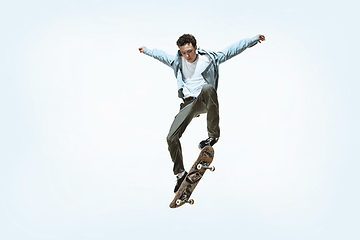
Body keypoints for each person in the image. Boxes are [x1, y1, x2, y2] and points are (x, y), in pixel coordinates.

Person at [138, 33, 266, 193]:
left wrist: (253, 39)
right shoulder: (177, 61)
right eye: (184, 52)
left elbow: (232, 50)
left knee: (207, 88)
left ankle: (212, 137)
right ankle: (180, 174)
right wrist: (146, 50)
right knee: (171, 138)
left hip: (205, 100)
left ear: (195, 47)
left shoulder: (209, 58)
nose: (187, 55)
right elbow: (162, 56)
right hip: (189, 103)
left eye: (190, 51)